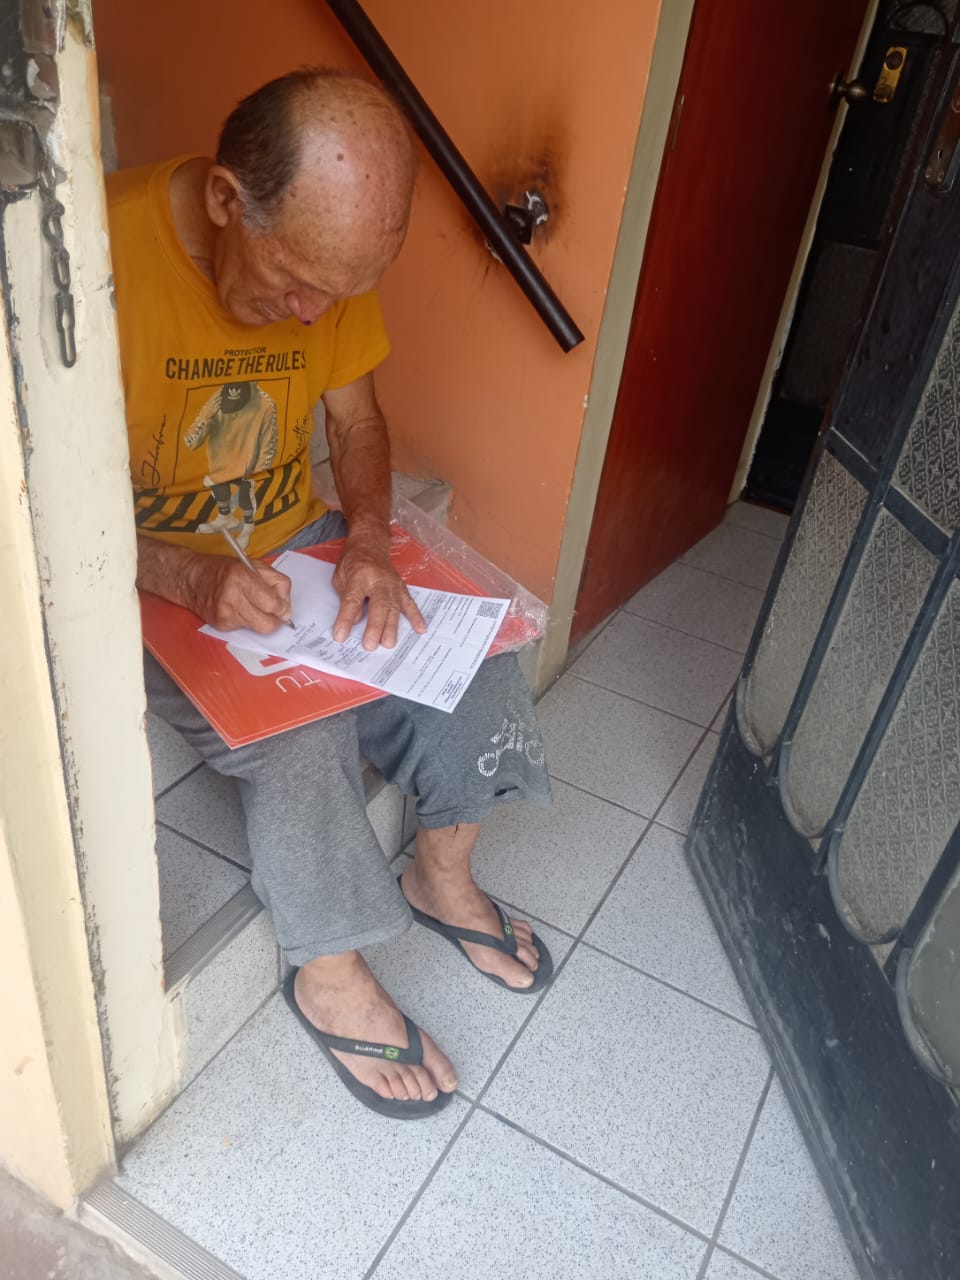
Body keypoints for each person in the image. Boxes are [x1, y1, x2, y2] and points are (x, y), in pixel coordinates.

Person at [107, 68, 553, 1120]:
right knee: (300, 733)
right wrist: (187, 572)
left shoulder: (326, 265)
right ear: (227, 199)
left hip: (292, 547)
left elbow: (355, 422)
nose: (313, 313)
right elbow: (31, 500)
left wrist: (365, 540)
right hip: (139, 571)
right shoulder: (94, 258)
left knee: (471, 645)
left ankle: (440, 874)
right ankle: (329, 969)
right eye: (298, 283)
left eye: (338, 293)